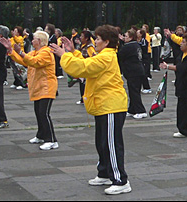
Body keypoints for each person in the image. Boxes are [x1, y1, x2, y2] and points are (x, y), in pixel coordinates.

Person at [51, 25, 131, 195]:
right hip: (104, 106)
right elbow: (87, 62)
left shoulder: (107, 57)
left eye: (99, 39)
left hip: (111, 106)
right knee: (102, 142)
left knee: (111, 144)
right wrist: (73, 52)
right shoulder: (103, 56)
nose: (96, 42)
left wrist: (64, 55)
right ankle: (104, 173)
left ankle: (120, 180)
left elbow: (84, 68)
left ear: (107, 42)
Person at [3, 30, 59, 150]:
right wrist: (11, 51)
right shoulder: (35, 52)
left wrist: (21, 52)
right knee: (38, 113)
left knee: (44, 113)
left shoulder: (46, 52)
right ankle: (41, 135)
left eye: (34, 39)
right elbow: (25, 61)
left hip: (46, 87)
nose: (32, 40)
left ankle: (52, 140)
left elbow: (35, 62)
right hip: (38, 87)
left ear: (39, 41)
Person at [118, 29, 148, 119]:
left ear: (131, 37)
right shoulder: (135, 45)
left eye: (126, 36)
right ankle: (132, 109)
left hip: (133, 71)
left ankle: (141, 110)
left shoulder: (128, 47)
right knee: (133, 90)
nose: (124, 37)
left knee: (134, 91)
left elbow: (119, 55)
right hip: (138, 71)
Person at [9, 26, 27, 90]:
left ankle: (22, 83)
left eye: (16, 31)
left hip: (19, 56)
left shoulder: (20, 38)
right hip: (13, 56)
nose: (14, 32)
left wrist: (14, 36)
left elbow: (18, 41)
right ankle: (16, 82)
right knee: (14, 70)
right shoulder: (12, 38)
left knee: (20, 71)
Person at [137, 29, 152, 94]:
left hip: (144, 59)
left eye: (138, 33)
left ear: (141, 34)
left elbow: (144, 49)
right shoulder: (137, 41)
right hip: (139, 59)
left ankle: (147, 87)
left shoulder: (143, 41)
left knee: (144, 74)